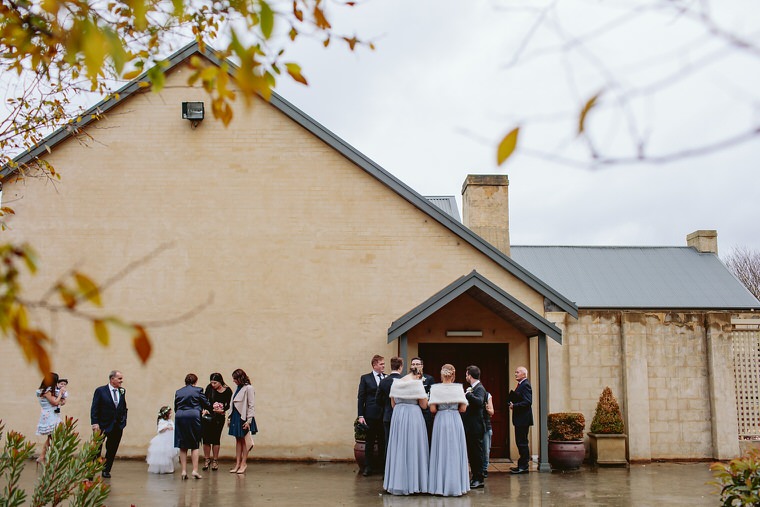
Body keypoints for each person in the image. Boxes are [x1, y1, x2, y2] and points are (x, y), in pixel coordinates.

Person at [383, 365, 429, 495]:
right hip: (413, 415)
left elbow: (393, 404)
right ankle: (414, 483)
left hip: (398, 416)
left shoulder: (396, 383)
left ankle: (396, 482)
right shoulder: (417, 384)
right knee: (413, 447)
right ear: (418, 374)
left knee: (399, 447)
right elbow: (424, 405)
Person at [427, 364, 469, 497]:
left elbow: (433, 409)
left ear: (441, 374)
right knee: (455, 450)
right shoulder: (458, 388)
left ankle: (440, 485)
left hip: (441, 420)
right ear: (453, 375)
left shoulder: (435, 388)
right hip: (455, 420)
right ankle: (456, 485)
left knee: (441, 450)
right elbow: (463, 409)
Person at [90, 370, 128, 478]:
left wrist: (123, 420)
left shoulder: (122, 391)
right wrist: (95, 423)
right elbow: (95, 407)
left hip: (117, 425)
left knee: (112, 449)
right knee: (96, 449)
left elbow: (123, 406)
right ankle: (91, 471)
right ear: (112, 379)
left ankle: (106, 470)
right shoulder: (100, 391)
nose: (122, 381)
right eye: (119, 378)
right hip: (102, 425)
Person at [174, 373, 211, 479]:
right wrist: (204, 410)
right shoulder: (198, 390)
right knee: (194, 444)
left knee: (182, 444)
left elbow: (176, 406)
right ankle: (194, 470)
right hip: (193, 416)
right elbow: (206, 403)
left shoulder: (178, 391)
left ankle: (184, 471)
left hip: (180, 416)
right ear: (195, 382)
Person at [356, 354, 385, 476]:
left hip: (383, 414)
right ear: (374, 365)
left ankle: (383, 467)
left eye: (384, 364)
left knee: (383, 441)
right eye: (381, 364)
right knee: (370, 441)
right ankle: (368, 467)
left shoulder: (386, 378)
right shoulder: (365, 378)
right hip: (370, 415)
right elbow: (361, 397)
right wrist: (361, 415)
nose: (383, 366)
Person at [201, 372, 233, 471]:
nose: (213, 385)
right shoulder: (209, 388)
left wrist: (223, 410)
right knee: (206, 439)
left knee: (215, 439)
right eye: (211, 382)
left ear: (220, 382)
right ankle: (207, 460)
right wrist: (205, 409)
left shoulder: (227, 390)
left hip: (219, 417)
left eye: (215, 383)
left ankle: (215, 460)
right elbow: (204, 400)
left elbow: (230, 404)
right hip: (208, 416)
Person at [462, 365, 486, 489]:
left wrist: (467, 395)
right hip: (471, 427)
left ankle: (479, 478)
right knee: (472, 453)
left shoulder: (479, 388)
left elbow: (479, 401)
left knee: (477, 454)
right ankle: (475, 477)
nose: (466, 377)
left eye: (466, 374)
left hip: (476, 427)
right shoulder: (473, 388)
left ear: (470, 376)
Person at [228, 368, 256, 474]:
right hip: (235, 416)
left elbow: (251, 405)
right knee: (238, 440)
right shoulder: (237, 388)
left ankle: (244, 463)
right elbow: (232, 403)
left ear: (240, 378)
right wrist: (229, 417)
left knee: (245, 441)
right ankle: (237, 464)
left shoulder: (248, 388)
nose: (233, 381)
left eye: (235, 378)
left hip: (243, 417)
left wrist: (249, 420)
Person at [35, 372, 66, 464]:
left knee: (51, 437)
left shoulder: (48, 391)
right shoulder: (46, 391)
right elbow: (54, 402)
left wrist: (61, 399)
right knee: (54, 435)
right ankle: (45, 455)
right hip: (50, 416)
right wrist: (60, 393)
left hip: (52, 414)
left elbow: (57, 402)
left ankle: (43, 455)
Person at [376, 356, 403, 457]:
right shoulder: (403, 381)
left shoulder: (383, 381)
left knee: (388, 442)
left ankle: (387, 469)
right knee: (400, 443)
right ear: (401, 366)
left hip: (387, 415)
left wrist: (386, 406)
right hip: (401, 415)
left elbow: (377, 400)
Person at [509, 366, 534, 474]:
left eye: (517, 372)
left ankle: (524, 466)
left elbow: (528, 402)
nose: (515, 374)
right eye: (515, 372)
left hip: (523, 419)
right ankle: (521, 465)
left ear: (524, 374)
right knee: (520, 442)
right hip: (520, 419)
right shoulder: (521, 385)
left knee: (522, 442)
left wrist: (515, 406)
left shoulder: (525, 385)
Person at [409, 357, 435, 445]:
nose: (415, 366)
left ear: (422, 366)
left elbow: (432, 395)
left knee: (426, 438)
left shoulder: (429, 378)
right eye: (413, 364)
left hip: (425, 413)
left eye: (417, 364)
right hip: (412, 412)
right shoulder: (407, 379)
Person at [146, 406, 178, 474]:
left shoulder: (170, 421)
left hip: (170, 440)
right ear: (165, 415)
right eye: (170, 413)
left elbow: (173, 427)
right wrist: (166, 427)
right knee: (163, 455)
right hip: (163, 440)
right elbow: (159, 430)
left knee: (170, 454)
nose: (171, 415)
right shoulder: (161, 421)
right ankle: (163, 468)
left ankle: (170, 468)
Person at [482, 390, 495, 478]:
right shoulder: (469, 394)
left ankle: (484, 468)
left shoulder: (487, 395)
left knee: (486, 450)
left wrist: (487, 409)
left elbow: (491, 412)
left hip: (486, 426)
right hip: (474, 425)